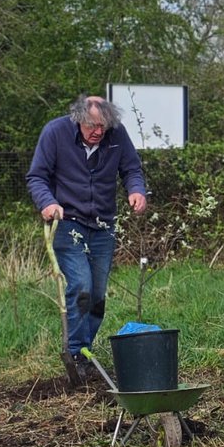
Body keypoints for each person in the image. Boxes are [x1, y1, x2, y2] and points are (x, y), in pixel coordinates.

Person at [27, 94, 147, 385]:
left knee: (98, 294)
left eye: (103, 127)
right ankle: (75, 353)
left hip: (103, 226)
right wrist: (47, 202)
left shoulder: (116, 135)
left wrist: (136, 190)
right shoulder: (55, 133)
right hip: (68, 224)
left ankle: (84, 349)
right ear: (79, 119)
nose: (98, 132)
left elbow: (131, 168)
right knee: (81, 284)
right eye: (93, 126)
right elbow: (37, 177)